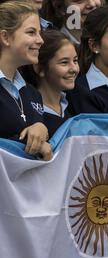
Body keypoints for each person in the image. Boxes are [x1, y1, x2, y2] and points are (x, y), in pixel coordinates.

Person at [0, 1, 52, 160]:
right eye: (31, 32)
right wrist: (34, 144)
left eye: (40, 32)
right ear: (5, 37)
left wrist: (41, 129)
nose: (40, 40)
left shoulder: (33, 93)